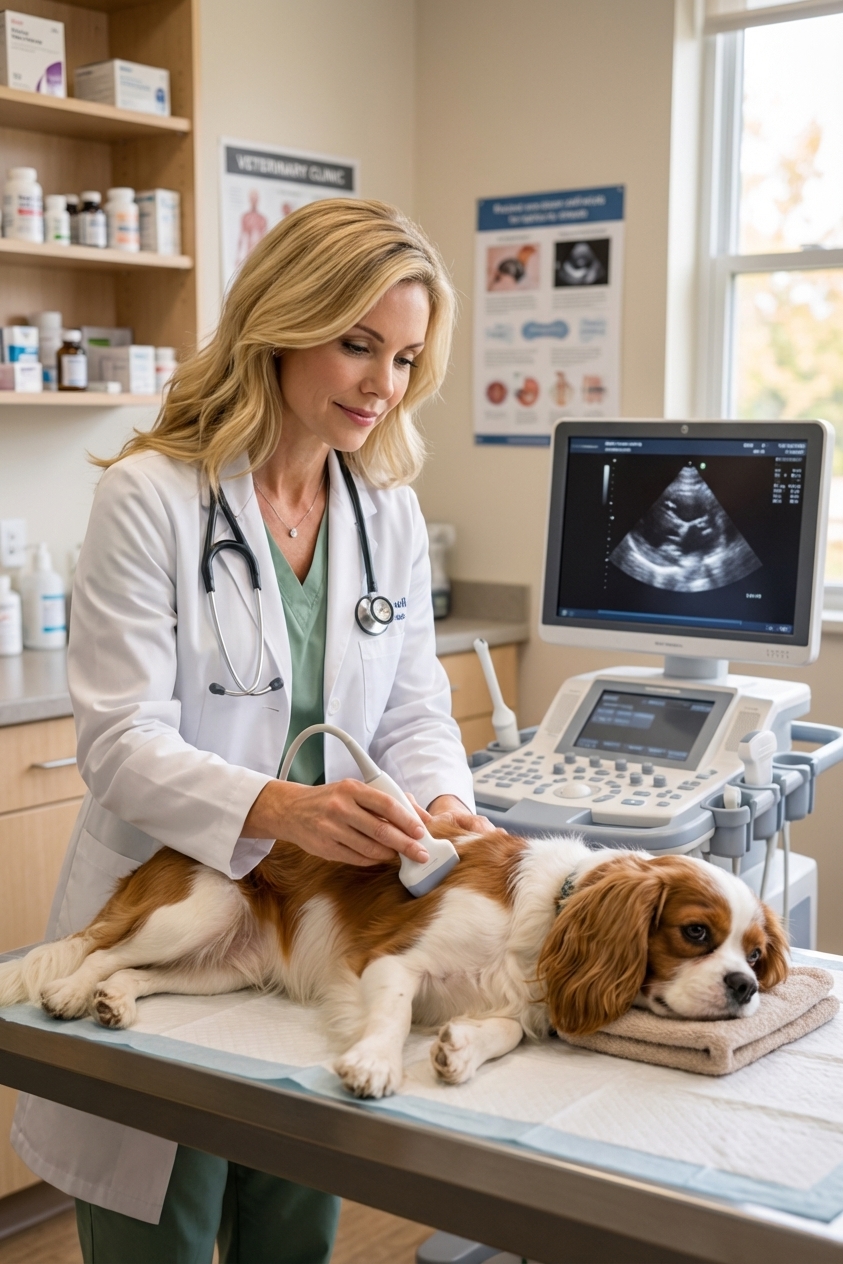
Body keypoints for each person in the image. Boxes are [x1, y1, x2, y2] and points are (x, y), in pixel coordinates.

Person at [11, 198, 490, 1264]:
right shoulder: (152, 495)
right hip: (171, 903)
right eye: (357, 344)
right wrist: (281, 809)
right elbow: (121, 740)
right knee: (161, 1231)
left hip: (310, 937)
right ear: (280, 324)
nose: (383, 385)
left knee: (293, 1226)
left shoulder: (385, 508)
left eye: (407, 357)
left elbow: (413, 704)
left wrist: (443, 797)